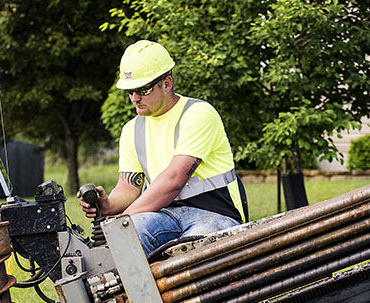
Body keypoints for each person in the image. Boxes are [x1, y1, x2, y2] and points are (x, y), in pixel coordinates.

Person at [79, 40, 246, 255]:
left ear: (167, 83)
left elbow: (173, 181)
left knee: (190, 257)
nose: (134, 98)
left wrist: (121, 222)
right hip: (163, 214)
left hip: (216, 215)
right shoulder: (132, 129)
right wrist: (108, 205)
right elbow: (128, 187)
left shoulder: (198, 114)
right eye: (130, 91)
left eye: (142, 89)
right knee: (129, 240)